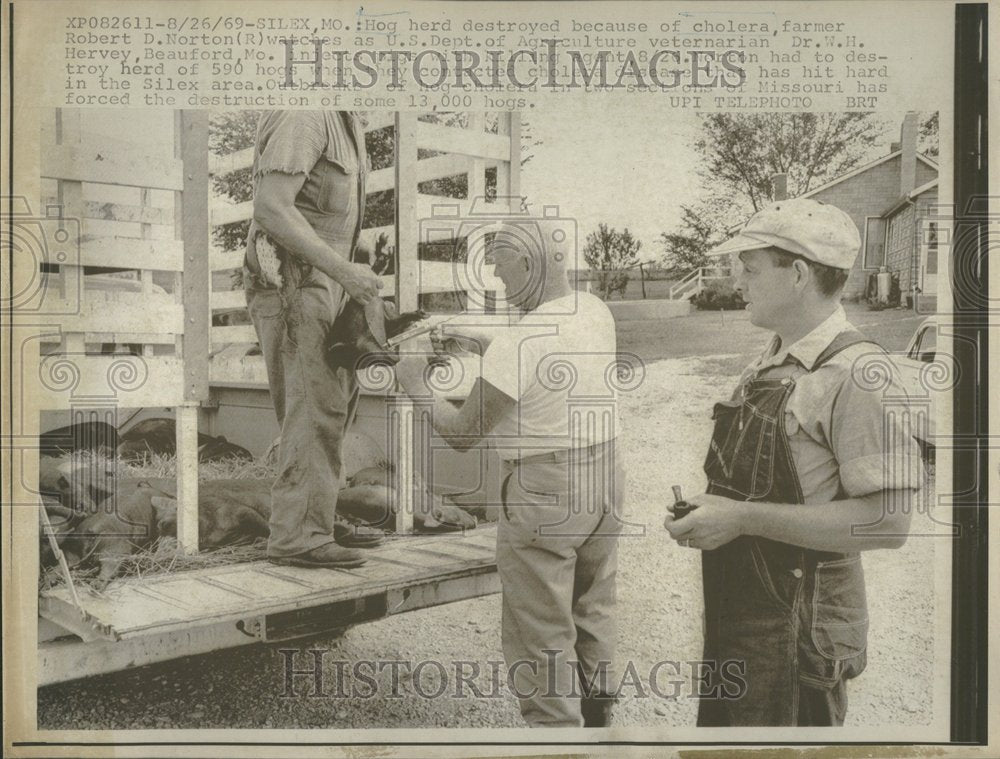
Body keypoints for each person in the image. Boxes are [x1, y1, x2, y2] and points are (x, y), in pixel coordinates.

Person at [665, 198, 924, 726]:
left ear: (799, 274)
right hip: (744, 618)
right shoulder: (773, 360)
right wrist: (710, 511)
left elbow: (889, 523)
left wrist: (739, 518)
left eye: (750, 267)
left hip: (800, 634)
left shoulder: (858, 374)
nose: (738, 280)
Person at [393, 217, 625, 728]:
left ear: (527, 261)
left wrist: (415, 382)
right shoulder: (592, 309)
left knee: (539, 629)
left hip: (545, 488)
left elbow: (459, 433)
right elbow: (541, 350)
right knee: (593, 602)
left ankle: (557, 736)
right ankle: (599, 716)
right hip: (605, 476)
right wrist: (479, 341)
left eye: (499, 268)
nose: (497, 280)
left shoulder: (518, 347)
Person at [244, 111, 385, 569]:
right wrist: (342, 268)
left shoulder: (347, 122)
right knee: (314, 407)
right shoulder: (306, 114)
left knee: (332, 406)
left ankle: (316, 515)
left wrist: (355, 254)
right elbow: (271, 207)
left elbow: (318, 213)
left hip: (326, 282)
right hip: (295, 283)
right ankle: (298, 536)